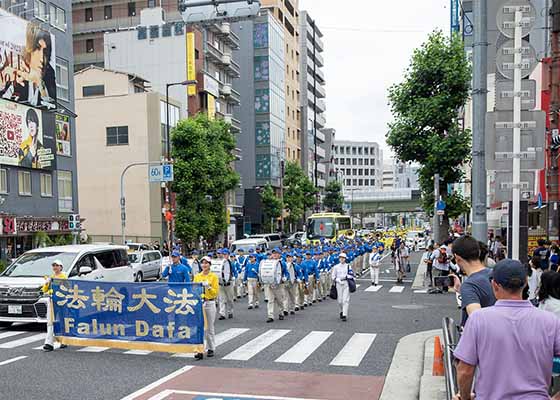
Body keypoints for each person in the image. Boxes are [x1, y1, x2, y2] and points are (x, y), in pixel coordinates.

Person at [453, 259, 560, 400]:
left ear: (494, 285)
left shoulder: (478, 319)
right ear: (526, 283)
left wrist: (465, 397)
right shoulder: (550, 321)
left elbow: (465, 370)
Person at [449, 236, 496, 327]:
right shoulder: (494, 274)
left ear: (457, 257)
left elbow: (477, 320)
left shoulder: (469, 285)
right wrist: (461, 290)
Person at [193, 256, 219, 360]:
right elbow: (193, 289)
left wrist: (208, 287)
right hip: (199, 303)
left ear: (210, 265)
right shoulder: (197, 276)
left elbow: (215, 293)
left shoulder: (213, 277)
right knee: (199, 327)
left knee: (209, 327)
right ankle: (199, 350)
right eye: (203, 263)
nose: (204, 265)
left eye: (206, 263)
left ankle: (211, 348)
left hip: (209, 303)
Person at [42, 259, 67, 352]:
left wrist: (55, 289)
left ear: (61, 267)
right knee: (50, 322)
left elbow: (66, 289)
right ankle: (49, 343)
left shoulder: (63, 277)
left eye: (57, 265)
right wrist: (47, 283)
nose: (55, 267)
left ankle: (63, 340)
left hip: (61, 302)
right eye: (53, 265)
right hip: (51, 302)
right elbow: (44, 290)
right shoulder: (51, 277)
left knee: (61, 321)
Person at [264, 248, 287, 323]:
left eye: (276, 253)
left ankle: (281, 312)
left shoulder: (282, 263)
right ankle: (270, 316)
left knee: (279, 300)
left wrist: (285, 277)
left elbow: (286, 272)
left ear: (280, 254)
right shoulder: (268, 262)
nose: (275, 255)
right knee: (270, 300)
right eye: (273, 253)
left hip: (279, 284)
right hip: (270, 283)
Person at [331, 252, 353, 321]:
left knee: (345, 300)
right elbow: (333, 276)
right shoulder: (336, 267)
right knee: (340, 301)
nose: (342, 259)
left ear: (345, 259)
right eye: (340, 258)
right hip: (338, 284)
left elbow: (351, 275)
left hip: (346, 283)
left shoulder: (348, 266)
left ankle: (344, 314)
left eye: (343, 258)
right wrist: (338, 280)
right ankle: (342, 310)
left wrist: (347, 277)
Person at [217, 249, 234, 320]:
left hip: (229, 283)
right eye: (223, 254)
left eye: (225, 254)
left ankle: (230, 311)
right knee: (221, 299)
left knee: (230, 299)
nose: (224, 256)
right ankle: (222, 313)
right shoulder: (218, 263)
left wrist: (232, 278)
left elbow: (233, 271)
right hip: (220, 283)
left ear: (228, 255)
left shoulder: (230, 263)